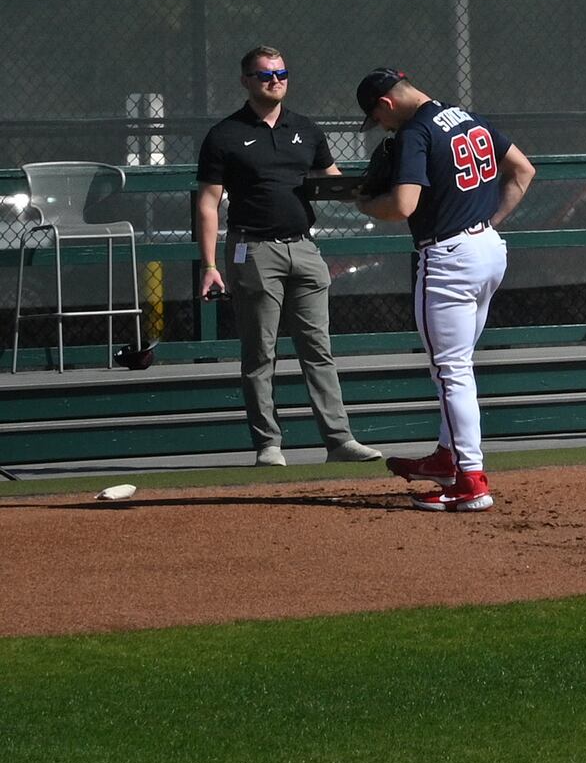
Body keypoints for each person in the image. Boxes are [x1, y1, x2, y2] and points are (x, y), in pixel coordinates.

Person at [191, 45, 382, 468]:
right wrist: (209, 266)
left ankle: (339, 441)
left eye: (281, 73)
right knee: (260, 354)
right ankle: (268, 445)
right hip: (253, 251)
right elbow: (208, 204)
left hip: (305, 250)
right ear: (246, 81)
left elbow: (333, 182)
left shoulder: (307, 130)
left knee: (319, 350)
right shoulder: (224, 135)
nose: (275, 80)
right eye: (265, 75)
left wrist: (379, 188)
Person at [356, 67, 535, 511]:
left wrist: (362, 203)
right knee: (456, 367)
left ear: (386, 104)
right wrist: (486, 226)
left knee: (451, 371)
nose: (382, 127)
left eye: (378, 119)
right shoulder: (467, 116)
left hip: (449, 259)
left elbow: (402, 206)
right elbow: (523, 171)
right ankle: (446, 457)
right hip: (488, 249)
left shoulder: (416, 132)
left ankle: (470, 479)